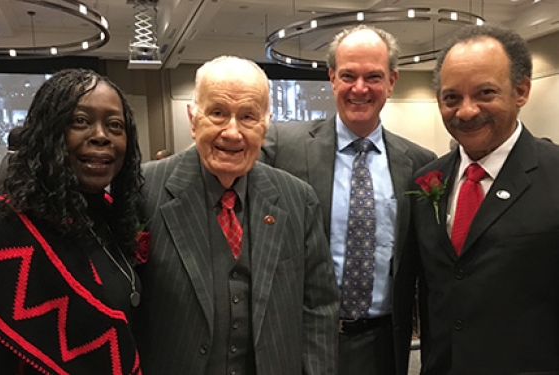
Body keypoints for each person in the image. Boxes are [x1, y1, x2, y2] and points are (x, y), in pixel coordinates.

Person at [133, 56, 339, 375]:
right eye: (217, 113)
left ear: (265, 124)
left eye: (247, 117)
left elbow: (319, 309)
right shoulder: (144, 192)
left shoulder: (299, 199)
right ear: (193, 118)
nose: (232, 132)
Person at [260, 25, 436, 375]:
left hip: (386, 344)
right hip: (304, 339)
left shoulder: (420, 163)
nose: (360, 88)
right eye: (348, 75)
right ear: (332, 79)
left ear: (392, 80)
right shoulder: (282, 146)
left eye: (373, 76)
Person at [411, 24, 559, 374]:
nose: (466, 111)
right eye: (451, 98)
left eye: (485, 93)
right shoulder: (424, 181)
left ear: (521, 90)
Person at [0, 69, 144, 374]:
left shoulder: (110, 219)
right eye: (80, 121)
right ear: (49, 132)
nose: (101, 135)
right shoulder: (7, 229)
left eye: (115, 125)